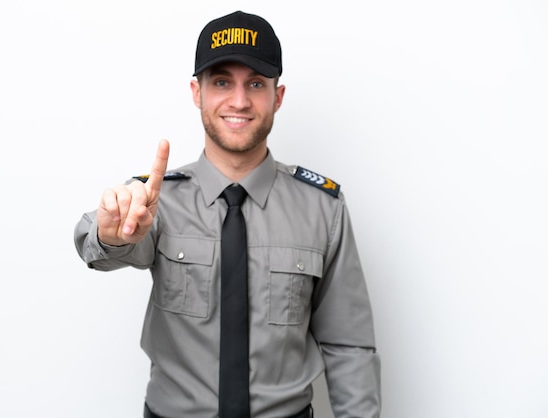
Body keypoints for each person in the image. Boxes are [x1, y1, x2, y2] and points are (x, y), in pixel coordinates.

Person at [74, 10, 381, 418]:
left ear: (278, 96)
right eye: (222, 82)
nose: (239, 101)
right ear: (196, 92)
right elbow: (105, 250)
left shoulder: (322, 208)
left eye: (255, 83)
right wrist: (114, 233)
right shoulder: (155, 201)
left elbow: (349, 346)